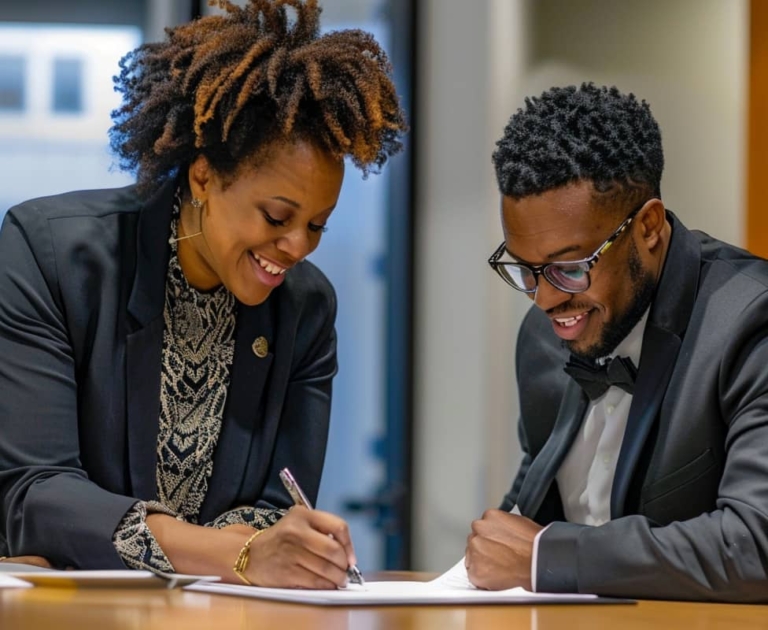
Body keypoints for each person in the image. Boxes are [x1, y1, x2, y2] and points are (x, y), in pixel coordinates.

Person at [0, 0, 406, 589]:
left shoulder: (306, 309)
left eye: (318, 225)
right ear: (203, 177)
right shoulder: (51, 255)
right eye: (276, 217)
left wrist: (285, 547)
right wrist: (234, 556)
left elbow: (275, 507)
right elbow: (37, 493)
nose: (297, 247)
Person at [465, 83, 768, 602]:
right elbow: (532, 510)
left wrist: (548, 557)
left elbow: (755, 545)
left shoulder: (750, 322)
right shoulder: (542, 337)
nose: (543, 301)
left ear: (648, 227)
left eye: (569, 267)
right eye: (526, 270)